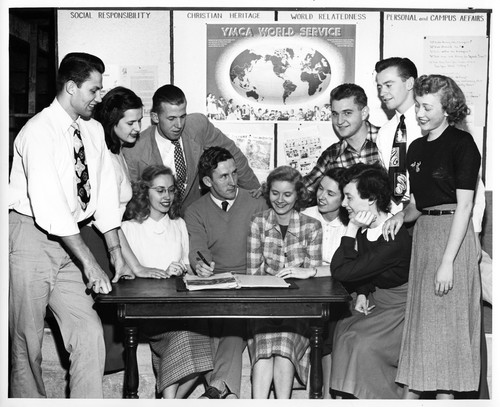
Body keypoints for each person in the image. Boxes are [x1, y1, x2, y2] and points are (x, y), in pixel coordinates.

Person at [8, 52, 131, 398]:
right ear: (71, 87)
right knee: (25, 345)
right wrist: (90, 264)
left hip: (69, 241)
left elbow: (106, 195)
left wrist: (115, 251)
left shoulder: (92, 131)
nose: (99, 98)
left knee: (89, 335)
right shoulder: (38, 132)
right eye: (94, 90)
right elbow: (50, 208)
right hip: (30, 238)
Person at [383, 75, 481, 399]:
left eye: (427, 107)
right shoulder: (415, 148)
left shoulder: (462, 144)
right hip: (425, 236)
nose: (420, 113)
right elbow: (417, 203)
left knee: (446, 332)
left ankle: (446, 396)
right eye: (419, 106)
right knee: (425, 329)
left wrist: (447, 262)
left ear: (448, 109)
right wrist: (400, 216)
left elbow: (465, 206)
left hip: (453, 238)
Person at [89, 86, 167, 373]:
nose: (138, 128)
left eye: (140, 121)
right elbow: (107, 220)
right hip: (98, 241)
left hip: (110, 236)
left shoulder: (118, 152)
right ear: (112, 122)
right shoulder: (105, 158)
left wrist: (138, 266)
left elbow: (116, 220)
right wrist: (134, 265)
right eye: (130, 123)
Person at [121, 165, 213, 398]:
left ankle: (168, 399)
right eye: (160, 190)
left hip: (180, 308)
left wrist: (188, 268)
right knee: (185, 335)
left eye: (171, 190)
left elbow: (186, 264)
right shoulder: (128, 229)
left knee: (202, 338)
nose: (167, 197)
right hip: (148, 312)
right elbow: (126, 275)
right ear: (145, 192)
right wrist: (160, 271)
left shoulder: (179, 224)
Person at [184, 146, 268, 399]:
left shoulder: (256, 202)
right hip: (213, 282)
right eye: (224, 176)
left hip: (250, 282)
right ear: (208, 181)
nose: (233, 181)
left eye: (234, 173)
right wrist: (201, 265)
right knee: (206, 326)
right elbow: (197, 246)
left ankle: (217, 388)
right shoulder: (195, 211)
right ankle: (225, 393)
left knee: (233, 323)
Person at [329, 163, 411, 399]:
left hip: (400, 311)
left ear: (371, 199)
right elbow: (363, 270)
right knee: (343, 330)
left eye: (349, 197)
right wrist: (363, 292)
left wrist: (352, 228)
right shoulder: (369, 229)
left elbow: (342, 272)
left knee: (360, 343)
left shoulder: (392, 238)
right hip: (379, 301)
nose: (344, 204)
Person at [122, 84, 260, 213]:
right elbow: (133, 200)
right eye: (171, 118)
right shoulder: (134, 150)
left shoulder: (198, 126)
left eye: (182, 117)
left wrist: (256, 193)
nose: (179, 125)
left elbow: (234, 156)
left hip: (192, 216)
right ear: (155, 117)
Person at [247, 166, 322, 399]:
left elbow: (314, 277)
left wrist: (303, 273)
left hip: (299, 311)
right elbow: (253, 275)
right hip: (264, 309)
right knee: (264, 344)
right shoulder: (257, 223)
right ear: (268, 193)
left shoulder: (312, 226)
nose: (280, 200)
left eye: (287, 194)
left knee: (283, 345)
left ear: (298, 195)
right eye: (275, 193)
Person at [302, 168, 349, 398]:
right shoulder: (306, 216)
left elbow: (348, 268)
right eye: (320, 188)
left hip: (339, 291)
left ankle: (327, 395)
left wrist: (315, 270)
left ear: (344, 198)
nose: (322, 196)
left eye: (331, 193)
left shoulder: (350, 223)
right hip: (308, 291)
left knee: (331, 327)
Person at [302, 83, 380, 201]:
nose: (339, 121)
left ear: (364, 113)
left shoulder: (387, 139)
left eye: (347, 113)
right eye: (335, 114)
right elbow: (304, 190)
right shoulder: (331, 155)